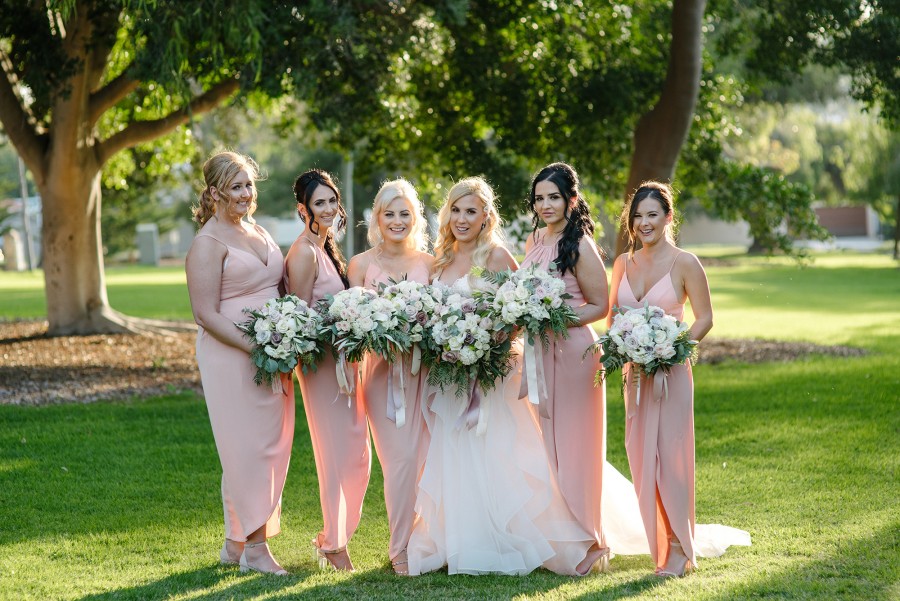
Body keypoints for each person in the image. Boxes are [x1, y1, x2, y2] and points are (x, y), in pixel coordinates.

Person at [407, 177, 604, 577]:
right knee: (455, 455)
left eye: (471, 211)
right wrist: (447, 342)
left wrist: (485, 343)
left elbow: (517, 309)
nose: (462, 219)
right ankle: (458, 540)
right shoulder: (439, 260)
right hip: (451, 375)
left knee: (504, 454)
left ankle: (519, 535)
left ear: (485, 217)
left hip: (494, 375)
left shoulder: (497, 257)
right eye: (456, 210)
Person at [608, 181, 749, 577]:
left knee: (671, 460)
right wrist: (622, 348)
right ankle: (660, 543)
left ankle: (680, 550)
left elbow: (704, 318)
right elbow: (613, 320)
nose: (644, 223)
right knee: (640, 460)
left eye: (652, 214)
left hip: (671, 374)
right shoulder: (623, 263)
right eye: (637, 216)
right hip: (633, 377)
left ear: (668, 217)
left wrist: (670, 345)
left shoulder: (686, 263)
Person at [185, 151, 293, 576]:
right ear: (214, 193)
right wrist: (256, 347)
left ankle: (234, 543)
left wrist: (289, 334)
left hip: (273, 352)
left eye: (249, 184)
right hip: (232, 355)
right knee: (245, 450)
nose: (247, 194)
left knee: (273, 444)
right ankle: (256, 548)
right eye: (236, 187)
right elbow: (205, 314)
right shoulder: (207, 243)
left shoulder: (259, 229)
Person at [519, 162, 613, 570]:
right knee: (547, 443)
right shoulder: (534, 240)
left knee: (577, 447)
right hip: (539, 354)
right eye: (539, 198)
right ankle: (560, 535)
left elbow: (599, 305)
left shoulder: (582, 246)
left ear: (571, 200)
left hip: (574, 355)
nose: (545, 205)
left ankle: (591, 541)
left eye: (553, 197)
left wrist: (553, 317)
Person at [285, 169, 371, 572]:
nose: (329, 208)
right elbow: (299, 321)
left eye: (333, 201)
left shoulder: (326, 246)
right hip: (321, 369)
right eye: (320, 203)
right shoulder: (303, 252)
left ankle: (334, 538)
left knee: (357, 455)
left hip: (344, 364)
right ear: (303, 209)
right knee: (337, 456)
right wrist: (339, 326)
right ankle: (335, 545)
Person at [347, 179, 434, 575]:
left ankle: (429, 541)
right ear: (377, 219)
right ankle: (399, 547)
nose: (397, 221)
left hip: (427, 374)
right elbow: (353, 324)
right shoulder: (361, 265)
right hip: (383, 376)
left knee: (427, 460)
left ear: (415, 218)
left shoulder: (432, 264)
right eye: (389, 214)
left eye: (405, 214)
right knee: (399, 464)